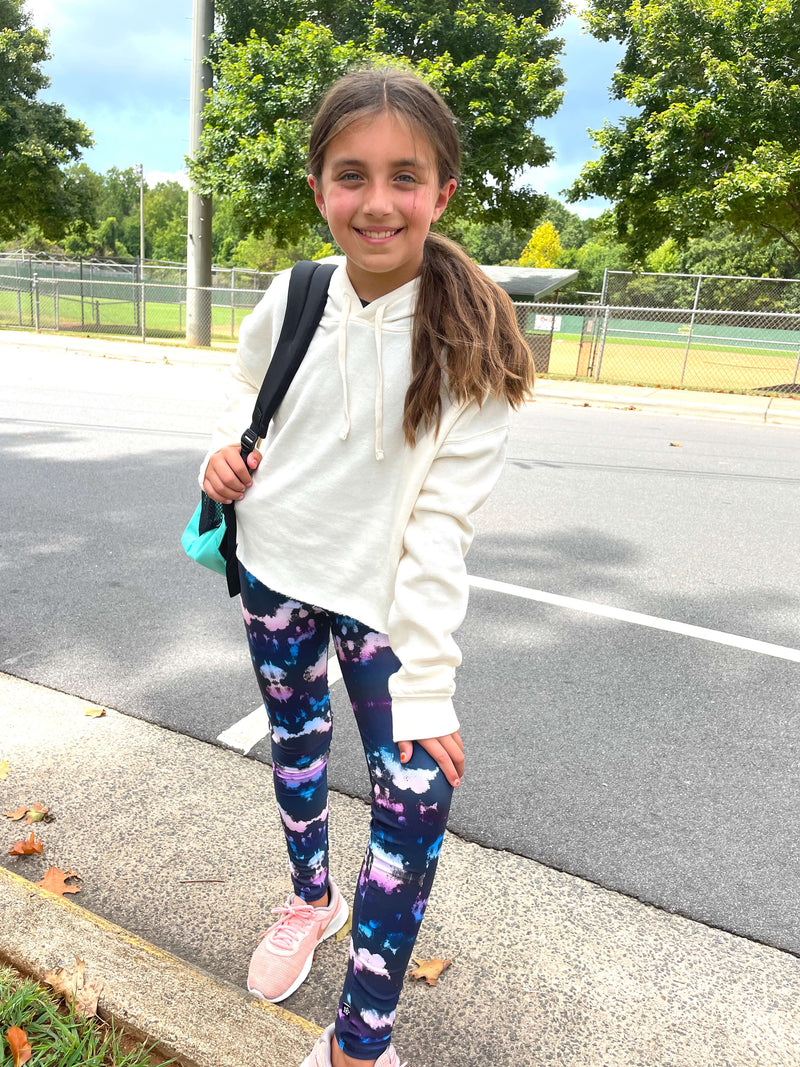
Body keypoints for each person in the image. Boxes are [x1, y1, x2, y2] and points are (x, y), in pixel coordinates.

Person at [200, 66, 535, 1067]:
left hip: (382, 608)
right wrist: (223, 452)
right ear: (319, 189)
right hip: (271, 575)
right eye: (351, 176)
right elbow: (246, 388)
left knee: (417, 798)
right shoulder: (293, 293)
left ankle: (359, 1042)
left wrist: (428, 689)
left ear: (442, 192)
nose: (377, 201)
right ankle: (310, 896)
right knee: (297, 764)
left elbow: (439, 531)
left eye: (404, 176)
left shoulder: (471, 346)